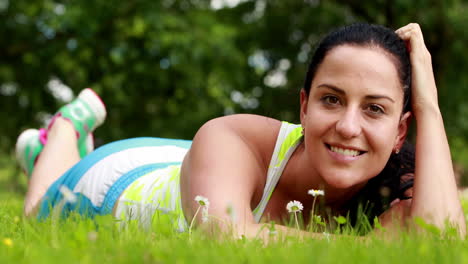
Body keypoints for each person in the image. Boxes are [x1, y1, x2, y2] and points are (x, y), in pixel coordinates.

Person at [15, 23, 466, 238]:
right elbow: (225, 236)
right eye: (331, 99)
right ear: (304, 106)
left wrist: (429, 106)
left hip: (202, 171)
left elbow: (441, 240)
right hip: (121, 180)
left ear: (402, 131)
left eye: (374, 109)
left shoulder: (394, 190)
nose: (349, 126)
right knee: (38, 211)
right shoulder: (234, 136)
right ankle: (63, 132)